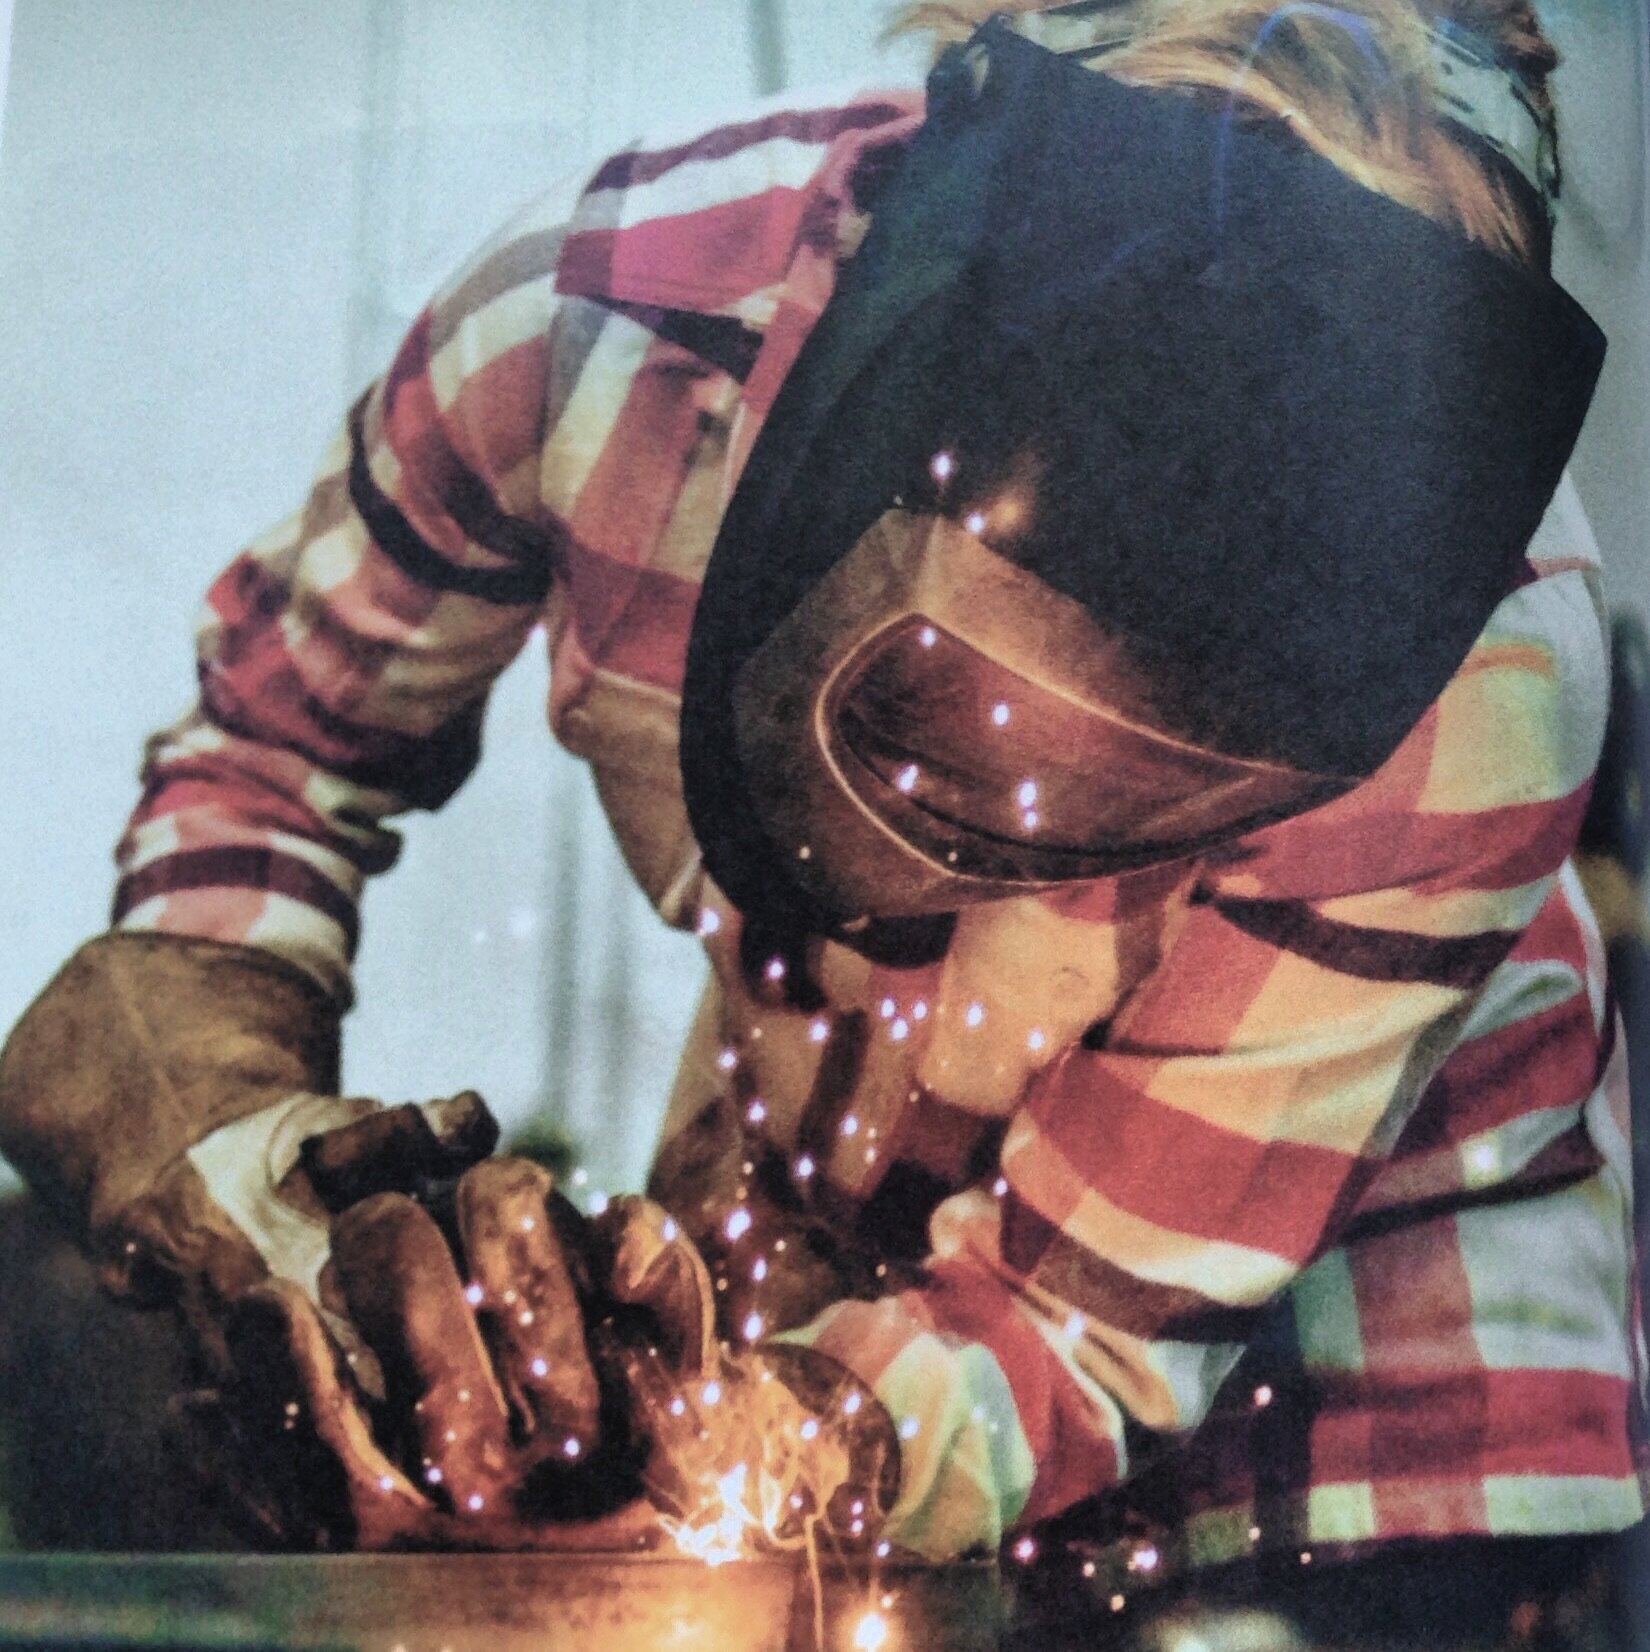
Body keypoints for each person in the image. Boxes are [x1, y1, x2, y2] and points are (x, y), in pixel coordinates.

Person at [0, 0, 1639, 1640]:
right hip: (842, 1226)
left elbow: (1075, 1333)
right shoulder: (604, 319)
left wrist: (812, 1437)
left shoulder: (1482, 670)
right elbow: (283, 747)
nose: (1001, 866)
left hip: (1365, 1390)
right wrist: (239, 1159)